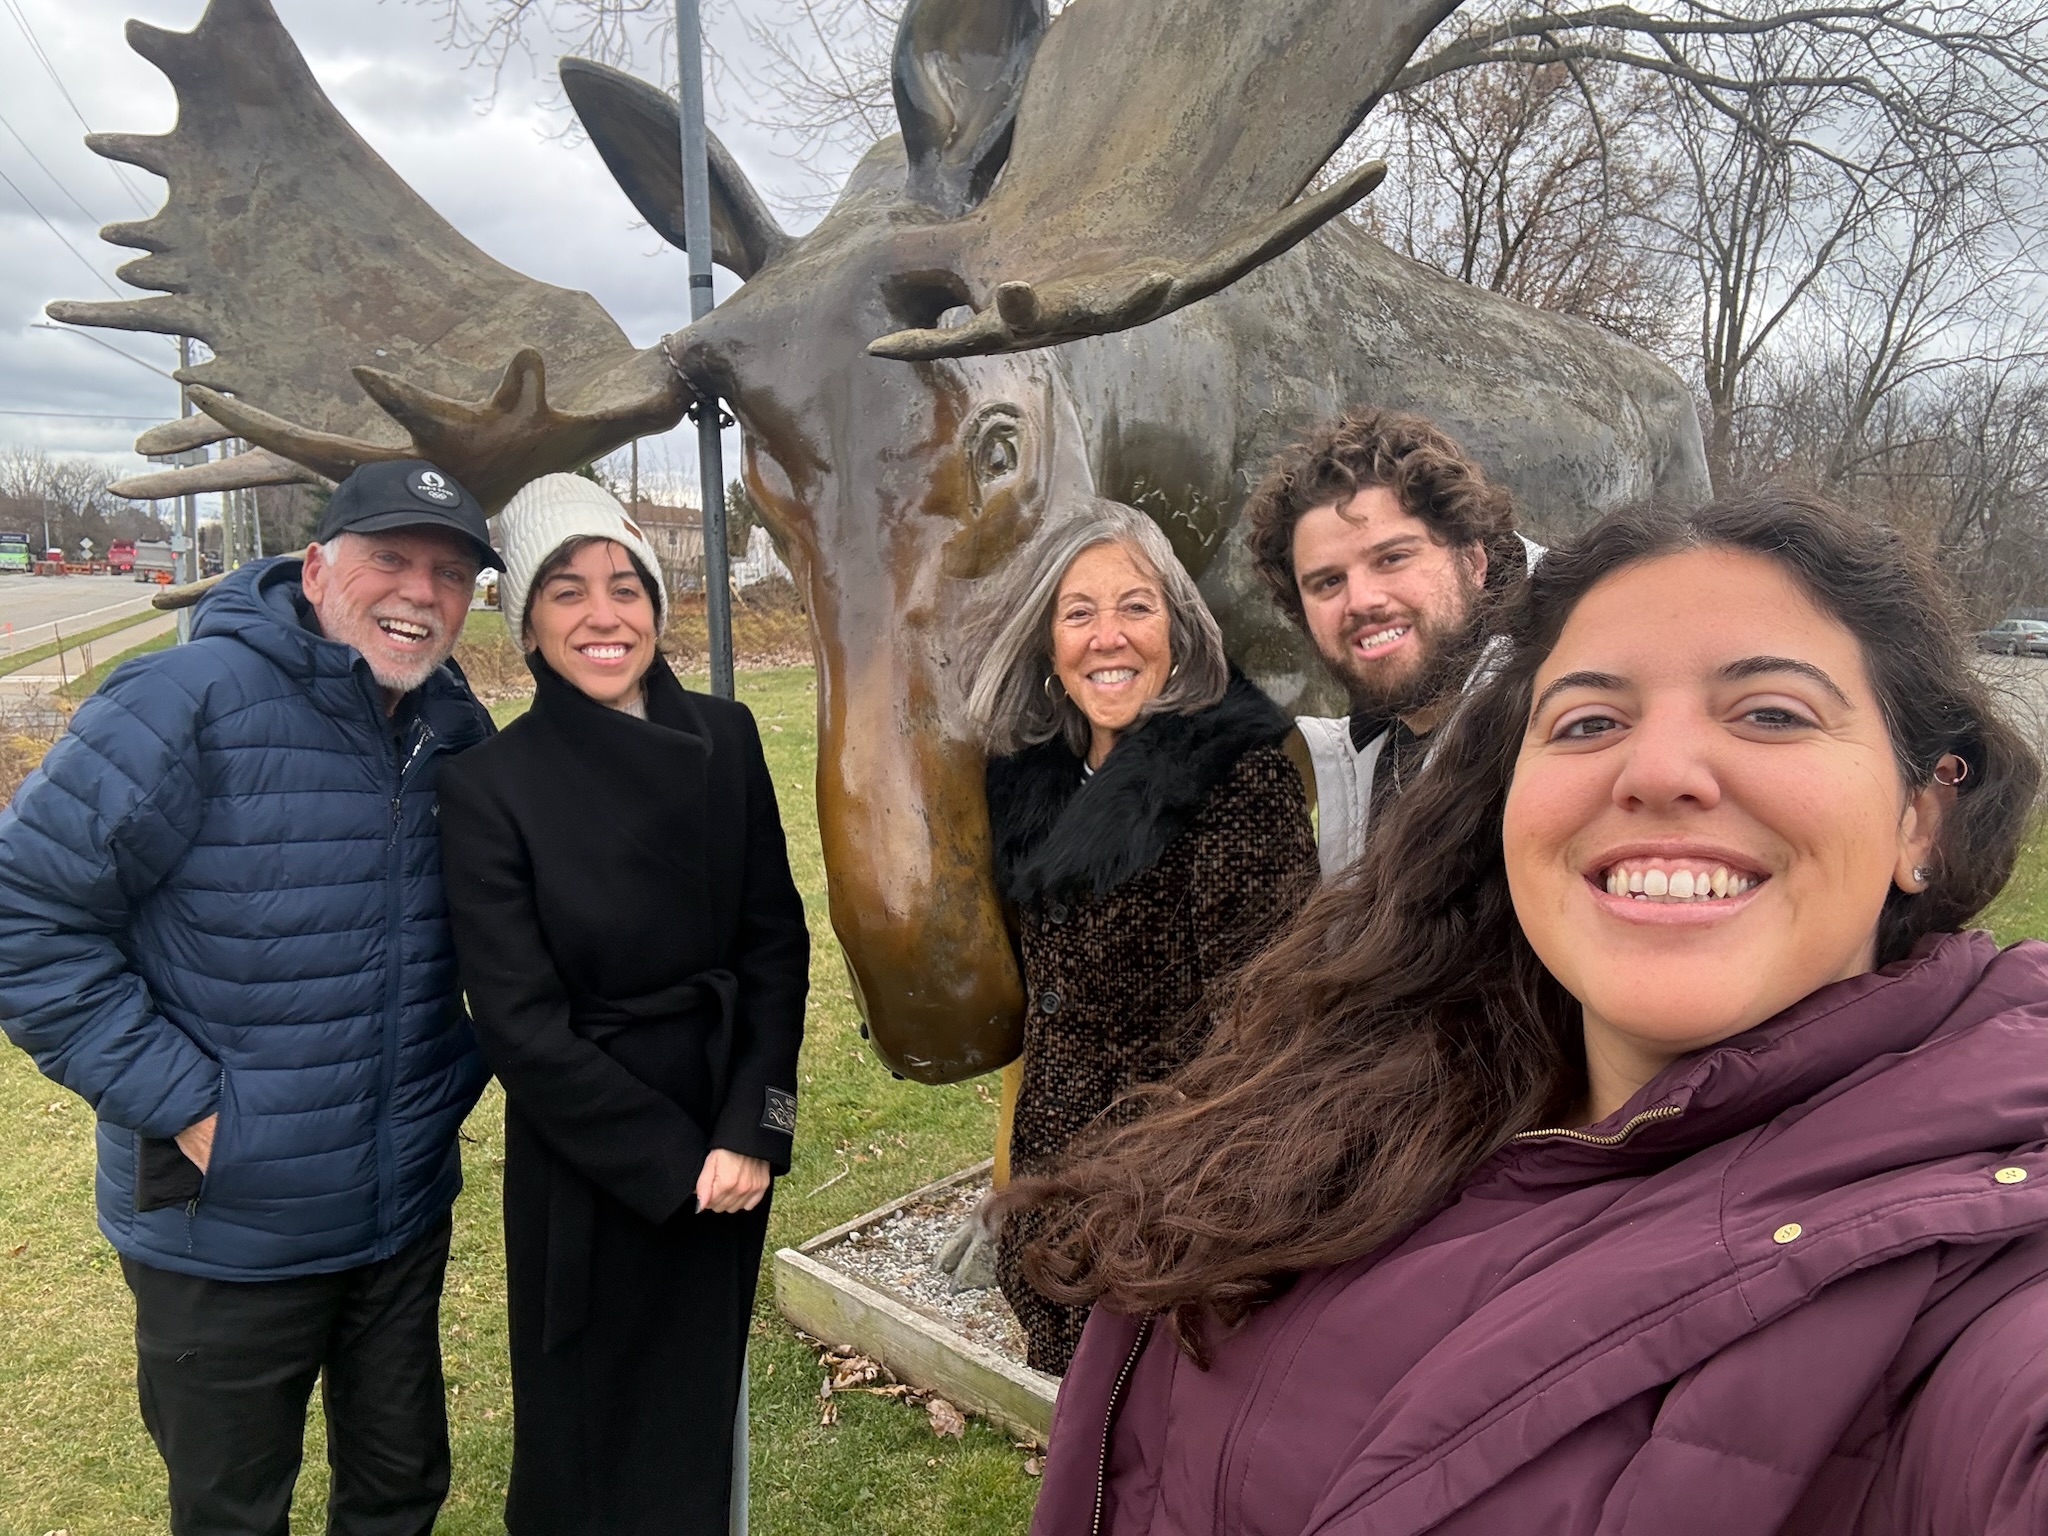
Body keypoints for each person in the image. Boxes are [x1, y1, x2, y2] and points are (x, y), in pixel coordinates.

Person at [1017, 489, 2048, 1535]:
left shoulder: (1984, 1283)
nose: (1657, 772)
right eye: (1589, 722)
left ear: (1921, 818)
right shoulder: (1367, 1070)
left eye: (1770, 713)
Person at [0, 460, 501, 1534]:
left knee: (400, 1491)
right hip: (226, 1223)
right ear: (314, 568)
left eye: (452, 573)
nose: (421, 593)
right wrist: (188, 1105)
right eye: (390, 559)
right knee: (232, 1510)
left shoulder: (453, 727)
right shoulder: (180, 703)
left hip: (400, 1208)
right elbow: (24, 916)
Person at [435, 474, 809, 1534]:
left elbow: (774, 943)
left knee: (696, 1426)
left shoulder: (729, 737)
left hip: (725, 1131)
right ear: (528, 625)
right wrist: (672, 1161)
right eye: (566, 591)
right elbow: (518, 1026)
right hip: (594, 1161)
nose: (604, 615)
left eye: (625, 586)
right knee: (589, 1444)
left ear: (655, 603)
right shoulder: (489, 785)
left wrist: (753, 1127)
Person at [964, 499, 1318, 1375]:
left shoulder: (1236, 783)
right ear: (1048, 645)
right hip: (1054, 1200)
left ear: (1180, 631)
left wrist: (1165, 1213)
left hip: (1169, 1222)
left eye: (1136, 606)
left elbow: (1264, 1030)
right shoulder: (1031, 784)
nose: (1107, 637)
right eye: (1078, 613)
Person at [1245, 407, 1537, 874]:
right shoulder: (1357, 759)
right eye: (1328, 582)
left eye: (1392, 558)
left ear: (1473, 562)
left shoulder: (1562, 716)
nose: (1361, 601)